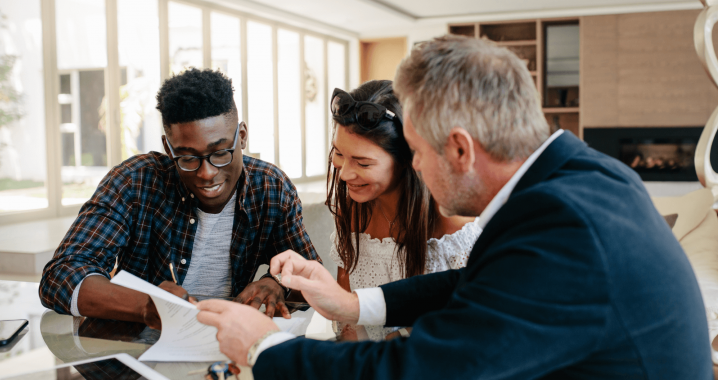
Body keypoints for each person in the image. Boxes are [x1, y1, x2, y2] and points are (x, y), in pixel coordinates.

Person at [196, 36, 712, 379]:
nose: (415, 167)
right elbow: (471, 282)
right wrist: (354, 307)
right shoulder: (579, 176)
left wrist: (266, 349)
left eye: (417, 151)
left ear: (461, 149)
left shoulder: (565, 230)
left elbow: (427, 370)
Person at [40, 68, 320, 329]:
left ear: (242, 137)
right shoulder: (135, 181)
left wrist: (277, 283)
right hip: (140, 347)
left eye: (221, 152)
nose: (207, 173)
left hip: (226, 343)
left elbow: (312, 276)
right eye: (187, 157)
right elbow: (60, 276)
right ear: (168, 148)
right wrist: (147, 306)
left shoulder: (271, 188)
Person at [326, 80, 480, 341]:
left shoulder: (451, 222)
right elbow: (348, 320)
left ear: (408, 160)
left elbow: (470, 323)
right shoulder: (354, 209)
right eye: (339, 154)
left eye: (362, 163)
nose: (345, 175)